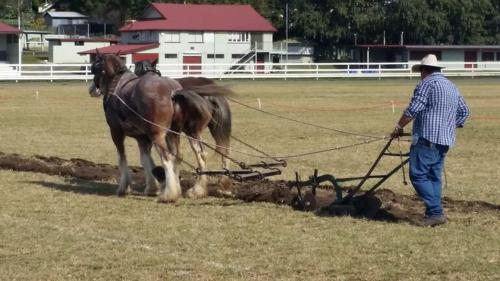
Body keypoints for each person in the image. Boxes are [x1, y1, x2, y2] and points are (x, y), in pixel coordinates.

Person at [391, 54, 470, 227]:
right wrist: (447, 124)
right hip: (445, 140)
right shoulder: (451, 86)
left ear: (424, 70)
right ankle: (432, 213)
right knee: (434, 177)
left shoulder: (427, 84)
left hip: (427, 138)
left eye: (420, 71)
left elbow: (414, 108)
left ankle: (435, 212)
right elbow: (464, 112)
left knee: (418, 175)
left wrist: (398, 127)